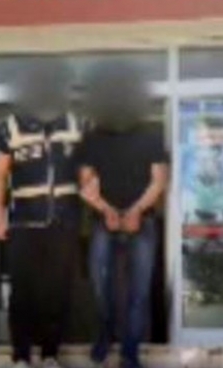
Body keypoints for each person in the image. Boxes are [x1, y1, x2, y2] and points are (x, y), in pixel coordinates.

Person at [78, 60, 168, 368]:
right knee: (100, 287)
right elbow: (86, 184)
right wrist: (107, 211)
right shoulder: (92, 138)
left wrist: (135, 212)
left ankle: (130, 352)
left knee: (139, 291)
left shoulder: (151, 135)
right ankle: (105, 333)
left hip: (143, 221)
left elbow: (159, 180)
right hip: (104, 222)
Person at [0, 59, 82, 368]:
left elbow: (88, 172)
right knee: (22, 293)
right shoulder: (9, 127)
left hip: (64, 223)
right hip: (24, 223)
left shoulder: (75, 124)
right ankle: (21, 356)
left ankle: (49, 355)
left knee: (56, 292)